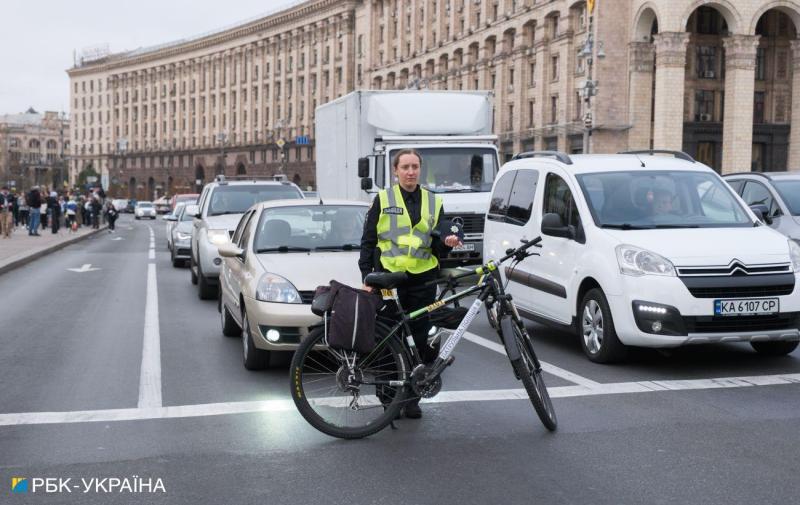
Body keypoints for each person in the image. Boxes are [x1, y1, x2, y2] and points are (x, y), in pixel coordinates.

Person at [359, 148, 463, 419]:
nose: (410, 171)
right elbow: (368, 242)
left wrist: (448, 243)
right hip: (389, 280)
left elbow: (439, 240)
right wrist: (367, 277)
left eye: (415, 166)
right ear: (395, 171)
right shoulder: (382, 200)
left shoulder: (433, 201)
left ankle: (414, 396)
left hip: (423, 280)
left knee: (424, 339)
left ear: (420, 169)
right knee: (388, 341)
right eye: (405, 167)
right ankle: (389, 401)